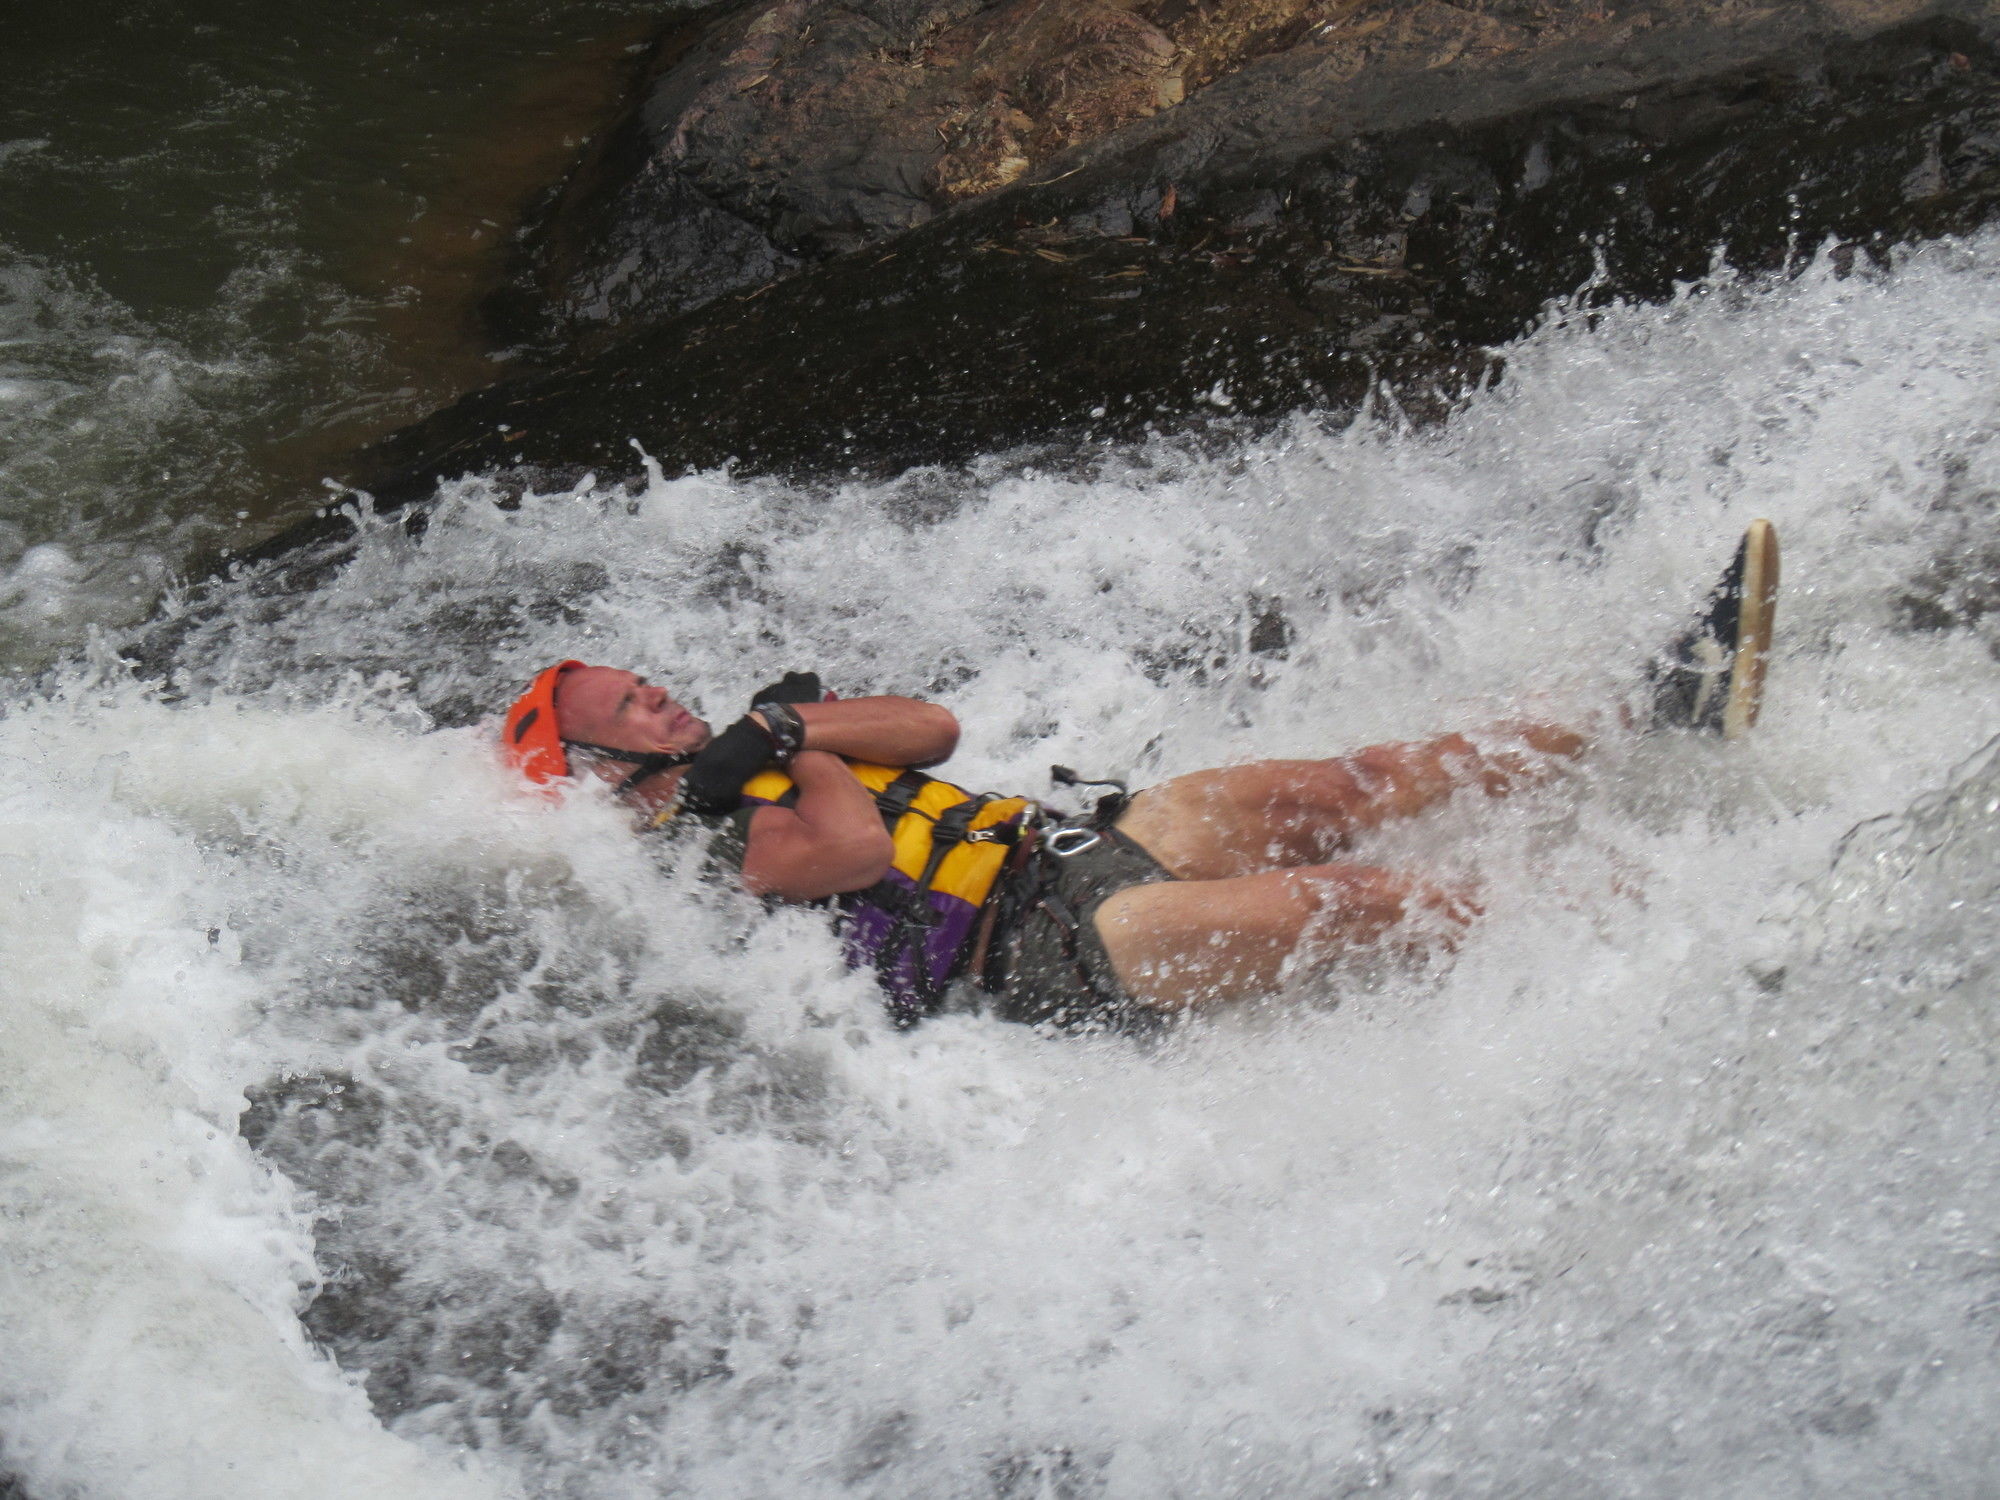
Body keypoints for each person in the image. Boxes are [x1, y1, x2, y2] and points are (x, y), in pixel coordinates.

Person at [497, 524, 1777, 1030]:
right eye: (629, 704)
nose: (656, 691)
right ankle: (1689, 938)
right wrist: (778, 757)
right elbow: (855, 855)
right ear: (607, 762)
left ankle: (1650, 711)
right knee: (1356, 896)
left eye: (640, 679)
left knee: (1357, 779)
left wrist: (783, 721)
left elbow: (932, 730)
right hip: (1053, 955)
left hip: (1070, 846)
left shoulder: (755, 744)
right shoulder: (700, 852)